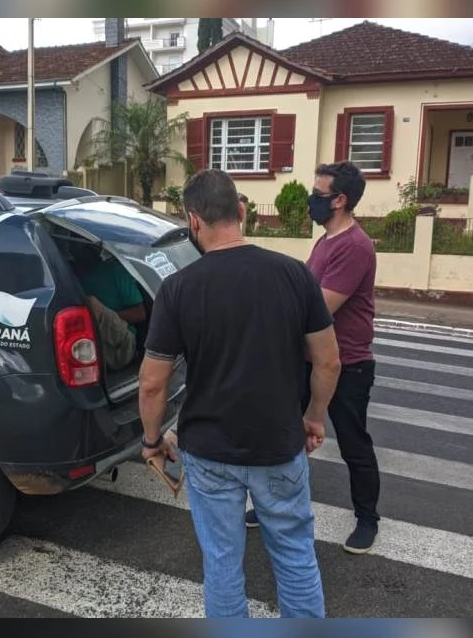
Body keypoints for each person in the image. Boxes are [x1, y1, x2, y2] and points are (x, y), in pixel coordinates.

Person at [137, 168, 342, 618]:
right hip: (279, 444)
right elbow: (328, 361)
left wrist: (152, 442)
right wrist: (313, 416)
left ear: (193, 221)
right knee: (294, 556)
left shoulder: (177, 289)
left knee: (223, 564)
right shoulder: (293, 275)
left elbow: (153, 382)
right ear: (242, 212)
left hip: (209, 453)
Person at [244, 160, 381, 554]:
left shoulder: (354, 246)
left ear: (340, 200)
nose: (311, 201)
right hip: (308, 360)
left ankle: (368, 519)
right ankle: (271, 507)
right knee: (285, 436)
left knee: (354, 443)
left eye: (318, 195)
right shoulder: (326, 240)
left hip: (347, 363)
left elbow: (317, 308)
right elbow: (300, 289)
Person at [73, 246, 145, 370]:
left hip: (121, 346)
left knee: (91, 303)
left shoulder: (114, 271)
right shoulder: (70, 278)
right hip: (89, 349)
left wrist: (104, 316)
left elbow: (140, 314)